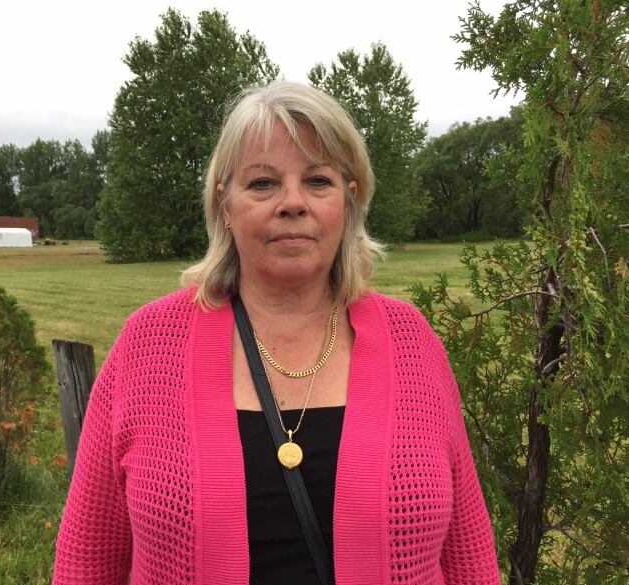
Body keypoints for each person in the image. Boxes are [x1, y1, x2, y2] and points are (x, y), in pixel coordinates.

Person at [52, 80, 500, 584]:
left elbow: (470, 557)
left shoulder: (410, 343)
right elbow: (88, 560)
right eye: (263, 183)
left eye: (318, 181)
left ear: (350, 201)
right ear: (225, 203)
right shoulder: (149, 346)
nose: (292, 202)